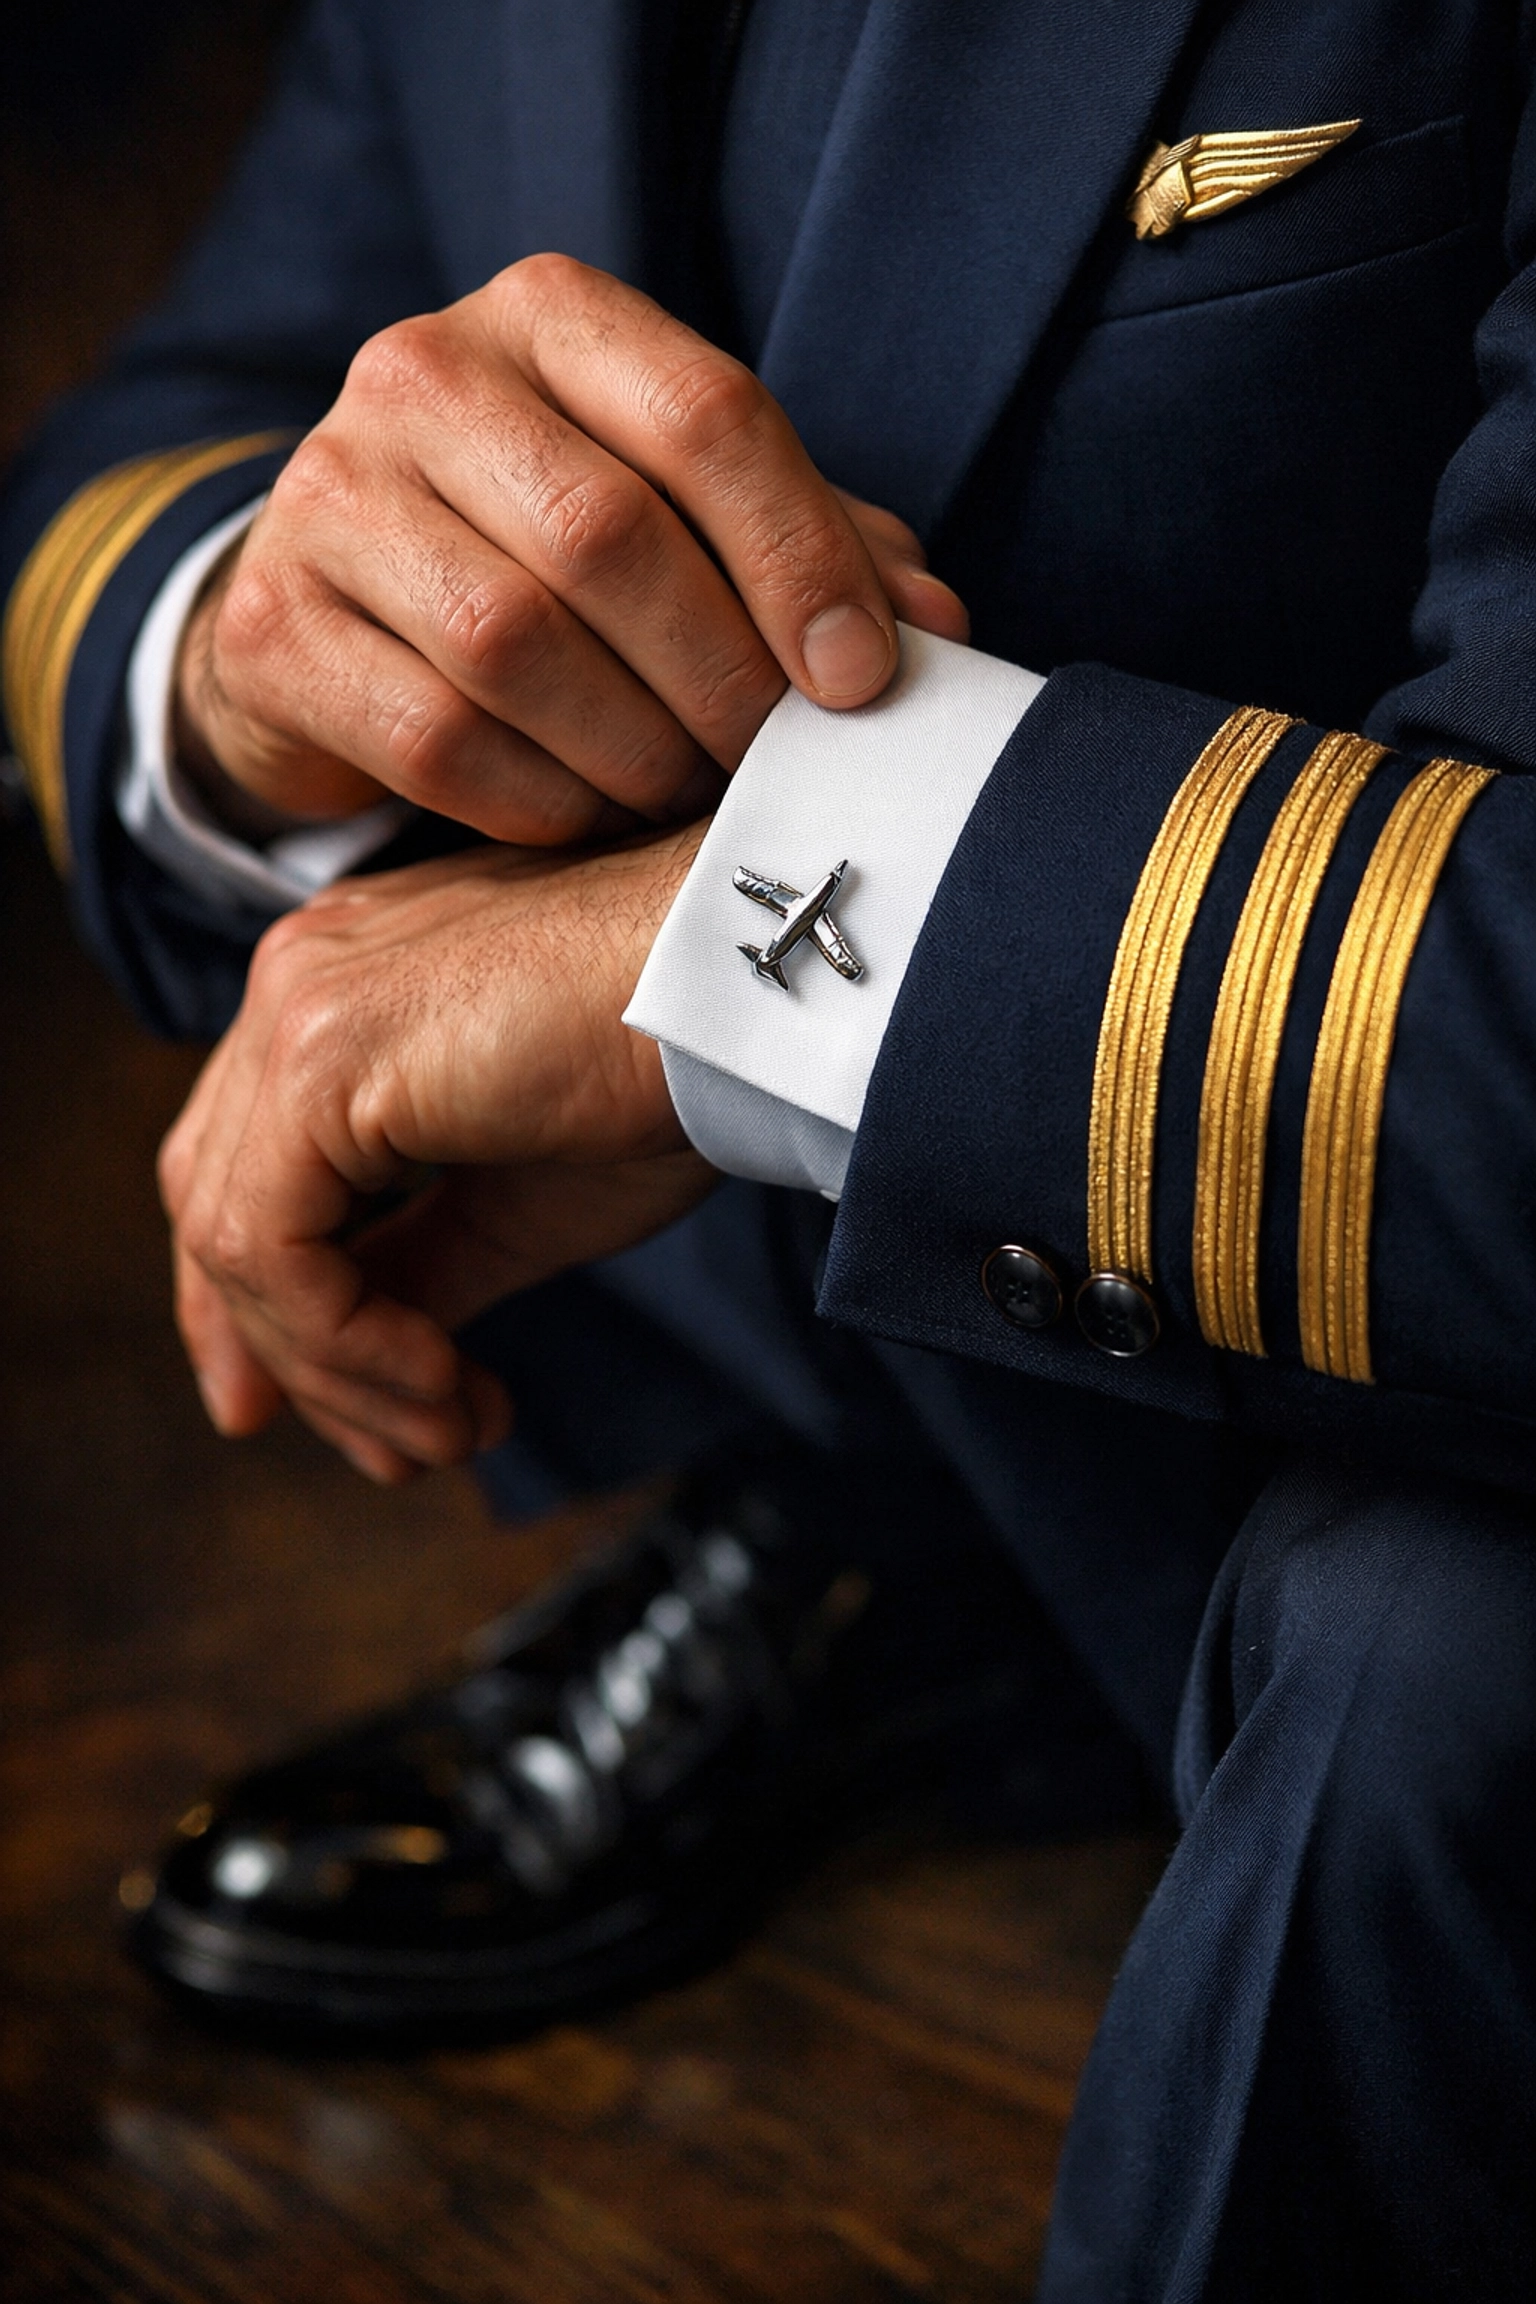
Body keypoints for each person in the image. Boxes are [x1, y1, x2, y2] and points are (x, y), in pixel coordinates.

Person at [3, 2, 1534, 2293]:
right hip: (786, 1354)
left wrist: (736, 955)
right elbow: (167, 424)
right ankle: (893, 1518)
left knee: (1435, 1666)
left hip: (1405, 1417)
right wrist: (263, 643)